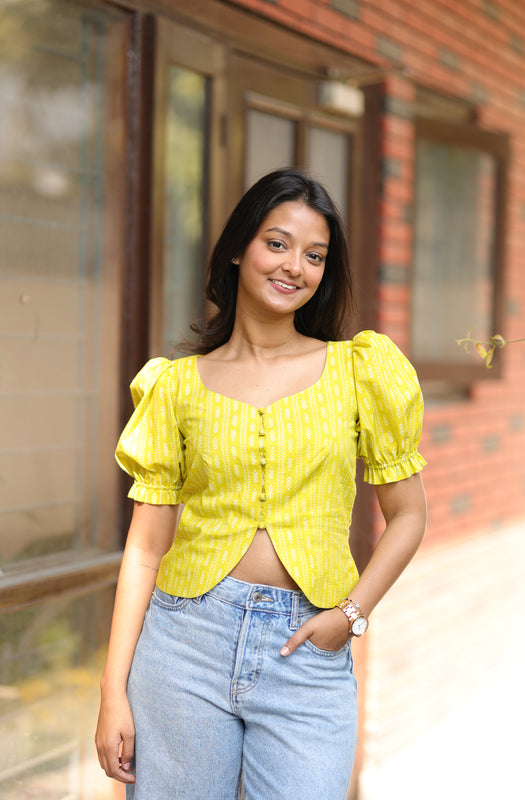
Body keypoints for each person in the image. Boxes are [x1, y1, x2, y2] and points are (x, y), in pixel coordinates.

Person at [95, 168, 427, 800]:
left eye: (314, 255)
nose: (294, 266)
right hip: (182, 643)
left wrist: (351, 616)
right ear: (238, 248)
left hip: (307, 648)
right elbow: (144, 549)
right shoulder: (175, 386)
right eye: (277, 243)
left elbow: (409, 515)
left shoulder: (359, 373)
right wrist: (113, 694)